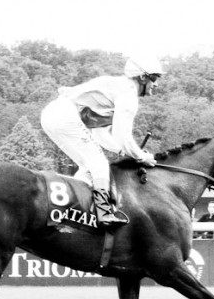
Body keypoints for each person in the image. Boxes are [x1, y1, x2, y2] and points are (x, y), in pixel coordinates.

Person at [41, 55, 161, 227]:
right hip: (63, 115)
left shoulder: (118, 87)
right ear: (143, 78)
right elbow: (123, 137)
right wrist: (141, 156)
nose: (156, 84)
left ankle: (72, 213)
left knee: (88, 167)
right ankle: (103, 214)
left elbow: (100, 135)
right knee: (99, 164)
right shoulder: (128, 96)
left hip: (53, 114)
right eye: (155, 78)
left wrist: (123, 152)